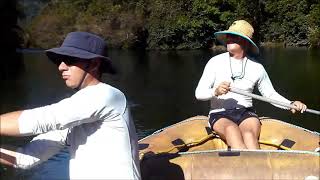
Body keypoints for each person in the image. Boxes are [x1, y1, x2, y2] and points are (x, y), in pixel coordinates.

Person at [0, 31, 141, 179]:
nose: (61, 67)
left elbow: (42, 119)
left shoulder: (107, 95)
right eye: (60, 60)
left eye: (69, 60)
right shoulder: (76, 112)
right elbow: (25, 158)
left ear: (94, 64)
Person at [195, 20, 307, 150]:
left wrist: (290, 104)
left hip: (246, 113)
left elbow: (270, 94)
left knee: (249, 135)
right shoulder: (214, 62)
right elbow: (199, 93)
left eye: (235, 36)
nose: (229, 38)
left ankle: (258, 167)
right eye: (228, 35)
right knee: (232, 130)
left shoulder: (257, 68)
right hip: (219, 113)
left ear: (246, 42)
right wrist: (215, 91)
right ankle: (244, 166)